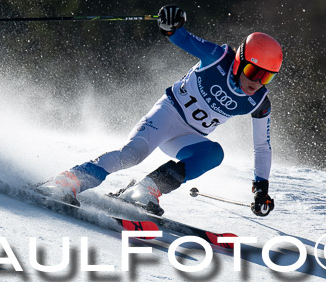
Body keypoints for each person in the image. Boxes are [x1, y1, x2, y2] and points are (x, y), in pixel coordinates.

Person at [37, 4, 281, 217]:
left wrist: (262, 188)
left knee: (214, 153)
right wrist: (171, 24)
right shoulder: (217, 58)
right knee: (132, 154)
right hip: (168, 113)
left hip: (187, 137)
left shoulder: (259, 102)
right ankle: (66, 181)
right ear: (239, 62)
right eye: (253, 72)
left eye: (266, 77)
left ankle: (145, 190)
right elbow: (181, 37)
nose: (257, 82)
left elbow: (262, 147)